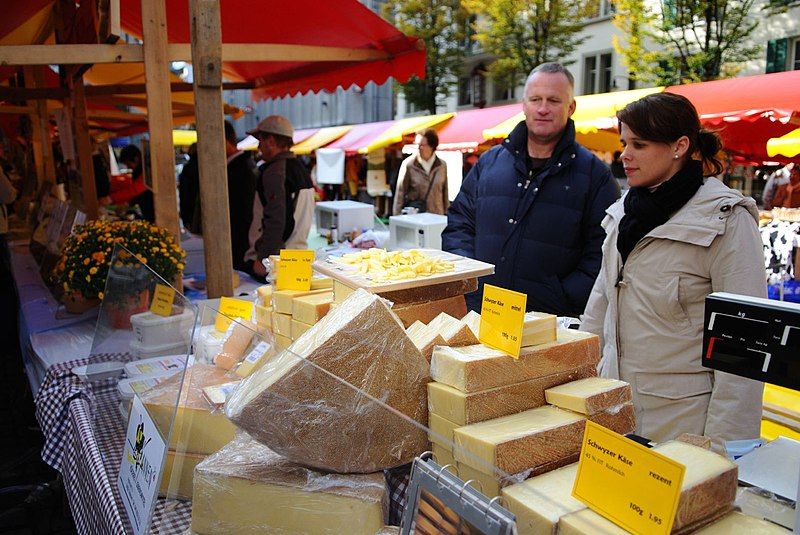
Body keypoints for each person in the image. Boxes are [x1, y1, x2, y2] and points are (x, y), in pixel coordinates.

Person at [580, 92, 765, 451]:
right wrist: (577, 385)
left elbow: (743, 346)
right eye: (624, 143)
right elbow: (599, 306)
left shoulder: (727, 219)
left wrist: (723, 448)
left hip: (682, 426)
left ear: (680, 146)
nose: (625, 155)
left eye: (639, 144)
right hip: (611, 409)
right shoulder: (623, 212)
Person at [443, 62, 619, 315]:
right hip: (480, 312)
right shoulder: (489, 163)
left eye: (553, 100)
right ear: (524, 105)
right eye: (535, 99)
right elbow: (459, 224)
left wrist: (561, 298)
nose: (543, 109)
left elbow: (602, 254)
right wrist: (470, 281)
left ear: (571, 107)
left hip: (547, 323)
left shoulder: (594, 175)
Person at [245, 116, 315, 278]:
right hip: (297, 257)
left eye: (260, 140)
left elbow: (277, 220)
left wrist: (264, 259)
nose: (258, 146)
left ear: (270, 140)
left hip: (277, 262)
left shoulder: (275, 172)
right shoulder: (299, 168)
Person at [392, 129, 449, 215]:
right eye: (416, 145)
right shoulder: (409, 165)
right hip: (417, 217)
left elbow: (445, 193)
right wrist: (397, 217)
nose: (418, 148)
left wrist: (448, 216)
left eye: (421, 145)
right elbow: (400, 193)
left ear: (431, 146)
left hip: (437, 217)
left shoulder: (442, 165)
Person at [119, 144, 155, 222]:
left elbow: (136, 189)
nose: (128, 167)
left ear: (135, 159)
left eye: (128, 164)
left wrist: (110, 199)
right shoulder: (138, 170)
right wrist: (128, 204)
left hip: (153, 210)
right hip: (146, 210)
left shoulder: (146, 169)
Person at [178, 143, 199, 231]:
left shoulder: (188, 169)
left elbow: (184, 195)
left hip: (192, 212)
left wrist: (185, 217)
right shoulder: (209, 167)